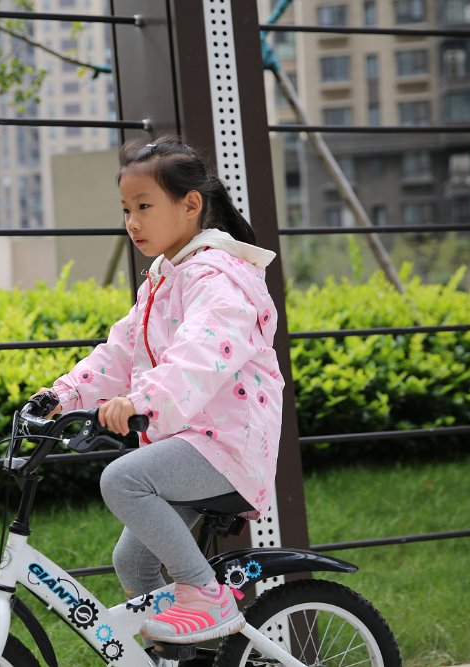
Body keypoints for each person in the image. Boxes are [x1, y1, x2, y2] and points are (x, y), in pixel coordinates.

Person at [34, 135, 284, 646]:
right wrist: (63, 395)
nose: (132, 221)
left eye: (144, 207)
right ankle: (171, 655)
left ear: (190, 205)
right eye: (126, 209)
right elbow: (119, 352)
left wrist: (141, 403)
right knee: (132, 561)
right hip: (193, 444)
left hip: (229, 445)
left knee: (122, 479)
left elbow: (198, 356)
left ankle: (205, 594)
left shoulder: (217, 278)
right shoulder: (164, 279)